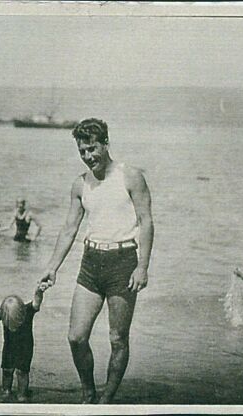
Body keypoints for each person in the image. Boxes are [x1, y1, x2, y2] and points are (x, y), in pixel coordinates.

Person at [36, 118, 154, 404]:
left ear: (105, 144)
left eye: (92, 149)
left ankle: (106, 400)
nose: (89, 156)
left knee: (117, 339)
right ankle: (88, 391)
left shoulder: (131, 176)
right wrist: (52, 267)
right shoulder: (80, 185)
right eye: (83, 152)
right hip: (91, 263)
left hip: (123, 263)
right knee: (76, 337)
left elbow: (146, 222)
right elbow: (68, 229)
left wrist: (142, 266)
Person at [0, 284, 48, 403]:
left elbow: (36, 302)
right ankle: (6, 390)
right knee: (7, 370)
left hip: (25, 348)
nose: (12, 326)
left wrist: (39, 291)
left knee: (22, 372)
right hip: (9, 347)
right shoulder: (3, 312)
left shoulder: (27, 310)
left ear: (21, 314)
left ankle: (22, 394)